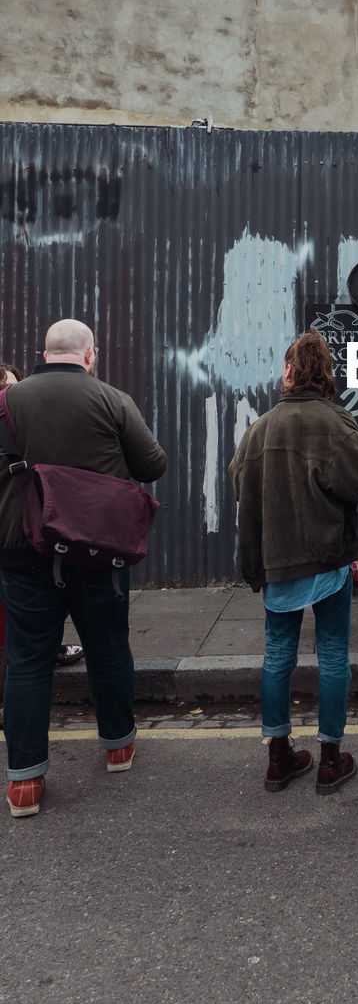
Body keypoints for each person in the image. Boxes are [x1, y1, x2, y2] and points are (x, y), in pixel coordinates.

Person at [0, 320, 167, 818]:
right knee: (108, 648)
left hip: (22, 551)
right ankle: (118, 746)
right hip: (98, 551)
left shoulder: (7, 402)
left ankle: (24, 784)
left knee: (28, 661)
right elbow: (153, 465)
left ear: (44, 353)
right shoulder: (113, 401)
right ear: (91, 355)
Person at [229, 329, 358, 796]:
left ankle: (278, 758)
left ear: (289, 371)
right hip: (327, 557)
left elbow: (240, 485)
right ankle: (331, 759)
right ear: (327, 373)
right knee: (332, 655)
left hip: (277, 561)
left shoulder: (259, 427)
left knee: (276, 656)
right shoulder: (335, 423)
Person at [0, 360, 84, 671]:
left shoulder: (26, 421)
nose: (8, 394)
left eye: (13, 388)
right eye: (3, 388)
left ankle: (48, 648)